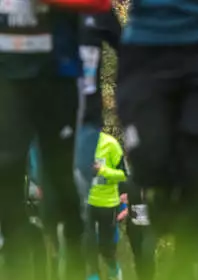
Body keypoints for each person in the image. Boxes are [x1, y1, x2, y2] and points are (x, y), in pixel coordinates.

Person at [116, 0, 198, 280]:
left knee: (195, 157)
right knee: (148, 160)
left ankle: (185, 273)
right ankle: (159, 195)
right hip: (147, 42)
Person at [0, 1, 90, 280]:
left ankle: (73, 260)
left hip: (56, 73)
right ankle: (17, 273)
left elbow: (99, 3)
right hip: (7, 77)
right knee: (6, 166)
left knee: (58, 174)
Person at [76, 11, 122, 215]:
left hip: (87, 118)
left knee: (77, 187)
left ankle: (75, 242)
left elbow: (129, 51)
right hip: (42, 116)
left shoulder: (98, 8)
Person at [84, 132, 127, 280]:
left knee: (106, 247)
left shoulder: (110, 144)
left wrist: (102, 170)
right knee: (87, 243)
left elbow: (123, 174)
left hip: (108, 203)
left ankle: (114, 277)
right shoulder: (80, 144)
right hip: (86, 202)